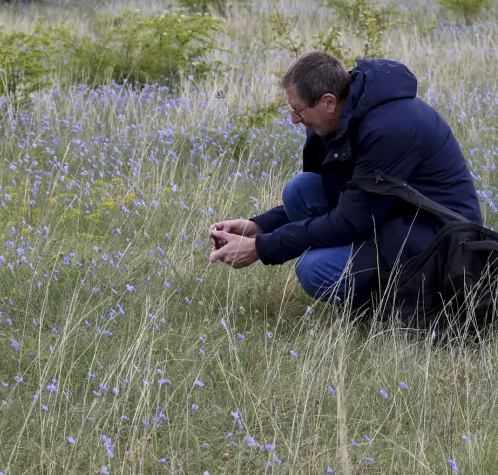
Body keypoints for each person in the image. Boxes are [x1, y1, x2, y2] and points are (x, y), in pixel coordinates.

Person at [207, 52, 484, 308]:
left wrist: (261, 248)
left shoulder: (388, 129)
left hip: (437, 240)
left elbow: (351, 219)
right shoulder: (343, 118)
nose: (293, 119)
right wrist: (259, 226)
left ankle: (397, 309)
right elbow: (346, 197)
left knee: (315, 269)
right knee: (301, 190)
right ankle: (366, 277)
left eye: (298, 110)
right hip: (392, 217)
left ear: (328, 101)